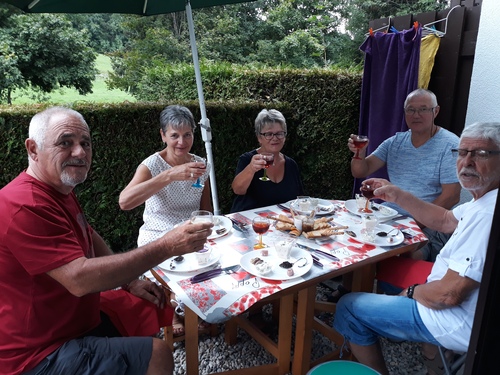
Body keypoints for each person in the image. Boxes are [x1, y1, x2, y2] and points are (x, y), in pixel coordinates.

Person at [0, 107, 213, 375]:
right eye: (65, 143)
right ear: (33, 149)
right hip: (37, 351)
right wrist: (167, 245)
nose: (79, 152)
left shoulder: (58, 189)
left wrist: (129, 282)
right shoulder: (24, 204)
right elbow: (79, 280)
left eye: (85, 143)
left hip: (72, 318)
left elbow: (88, 233)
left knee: (150, 304)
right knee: (158, 355)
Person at [334, 122, 500, 375]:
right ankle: (425, 348)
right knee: (393, 271)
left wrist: (412, 293)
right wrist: (397, 194)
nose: (467, 161)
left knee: (348, 307)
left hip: (456, 320)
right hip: (455, 300)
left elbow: (449, 295)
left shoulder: (488, 216)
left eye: (481, 153)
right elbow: (445, 220)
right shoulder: (486, 199)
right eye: (463, 152)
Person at [119, 104, 211, 337]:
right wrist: (168, 175)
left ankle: (187, 305)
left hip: (189, 231)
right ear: (163, 135)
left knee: (212, 266)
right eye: (174, 135)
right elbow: (125, 202)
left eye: (187, 135)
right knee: (175, 280)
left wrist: (208, 230)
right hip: (157, 233)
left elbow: (206, 209)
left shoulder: (201, 165)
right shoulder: (151, 165)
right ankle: (177, 310)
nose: (181, 142)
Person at [348, 88, 461, 262]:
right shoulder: (396, 142)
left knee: (404, 256)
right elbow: (360, 171)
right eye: (411, 109)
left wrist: (414, 224)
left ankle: (399, 288)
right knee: (353, 235)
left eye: (423, 109)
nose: (416, 114)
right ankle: (351, 286)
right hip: (390, 217)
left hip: (429, 223)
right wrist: (358, 153)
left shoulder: (450, 145)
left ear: (435, 111)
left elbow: (451, 196)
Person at [231, 109, 304, 213]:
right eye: (269, 134)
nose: (275, 138)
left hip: (280, 223)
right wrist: (251, 169)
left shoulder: (291, 164)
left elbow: (299, 199)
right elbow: (238, 190)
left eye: (279, 133)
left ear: (285, 136)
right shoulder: (247, 159)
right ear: (259, 138)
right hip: (249, 223)